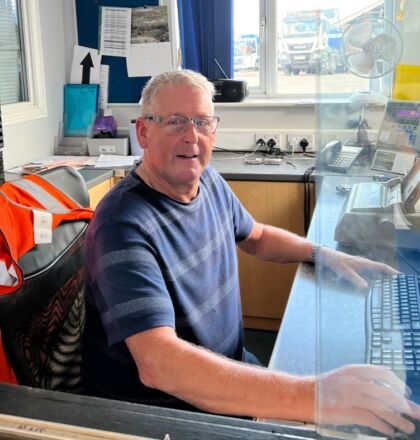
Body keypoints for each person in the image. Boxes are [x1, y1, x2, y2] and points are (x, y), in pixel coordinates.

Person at [83, 69, 420, 437]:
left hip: (228, 371)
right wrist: (316, 396)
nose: (191, 136)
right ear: (143, 132)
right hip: (166, 411)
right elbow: (160, 364)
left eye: (202, 121)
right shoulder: (122, 224)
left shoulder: (207, 180)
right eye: (175, 121)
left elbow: (256, 235)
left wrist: (321, 253)